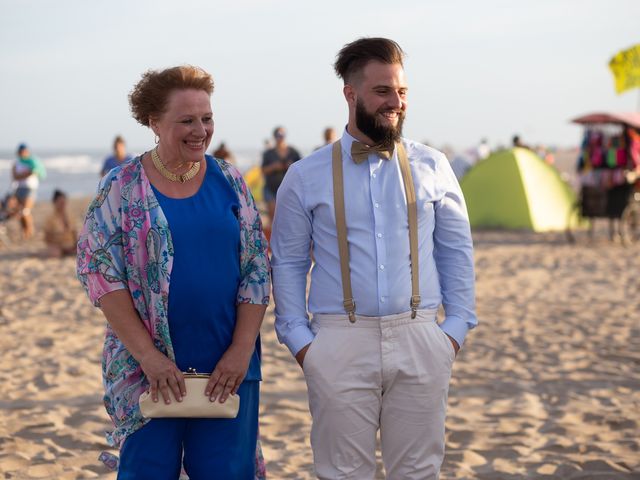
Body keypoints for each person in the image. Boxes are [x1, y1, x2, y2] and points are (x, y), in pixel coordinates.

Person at [271, 38, 477, 479]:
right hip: (337, 340)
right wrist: (300, 340)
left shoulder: (434, 165)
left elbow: (456, 249)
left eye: (402, 91)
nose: (396, 102)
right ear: (350, 93)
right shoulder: (305, 175)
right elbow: (287, 262)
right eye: (383, 91)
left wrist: (454, 329)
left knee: (419, 471)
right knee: (342, 472)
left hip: (421, 335)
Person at [76, 65, 270, 480]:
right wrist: (150, 357)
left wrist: (240, 350)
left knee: (227, 474)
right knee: (148, 471)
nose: (200, 129)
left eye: (207, 118)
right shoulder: (122, 187)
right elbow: (100, 274)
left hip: (228, 365)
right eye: (186, 120)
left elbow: (256, 268)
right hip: (146, 369)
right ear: (154, 122)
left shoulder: (231, 181)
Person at [261, 126, 301, 222]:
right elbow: (262, 170)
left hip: (289, 189)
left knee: (289, 218)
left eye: (282, 135)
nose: (280, 137)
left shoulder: (293, 152)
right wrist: (274, 167)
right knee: (273, 218)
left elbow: (302, 168)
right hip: (271, 189)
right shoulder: (268, 153)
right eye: (278, 135)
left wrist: (290, 166)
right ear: (274, 136)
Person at [11, 143, 46, 239]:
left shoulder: (33, 161)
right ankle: (24, 231)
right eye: (21, 152)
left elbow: (37, 172)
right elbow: (15, 176)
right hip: (18, 189)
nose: (22, 153)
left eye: (24, 151)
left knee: (25, 211)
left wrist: (23, 175)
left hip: (30, 189)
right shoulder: (16, 163)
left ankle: (30, 231)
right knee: (19, 212)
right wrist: (26, 173)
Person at [43, 189, 77, 257]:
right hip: (57, 245)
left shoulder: (70, 216)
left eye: (64, 202)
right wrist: (60, 245)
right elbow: (47, 238)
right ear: (55, 203)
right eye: (60, 203)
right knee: (55, 254)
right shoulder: (50, 218)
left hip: (70, 244)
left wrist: (75, 244)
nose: (63, 205)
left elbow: (74, 232)